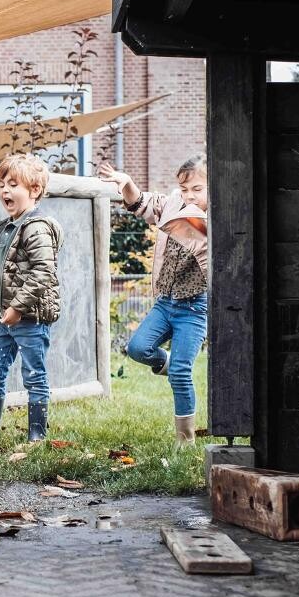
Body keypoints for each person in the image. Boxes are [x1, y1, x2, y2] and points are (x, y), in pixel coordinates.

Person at [97, 156, 208, 444]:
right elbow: (142, 204)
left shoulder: (218, 222)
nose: (189, 195)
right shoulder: (173, 203)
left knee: (181, 374)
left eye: (197, 189)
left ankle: (185, 441)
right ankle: (168, 363)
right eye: (184, 189)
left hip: (194, 308)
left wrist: (195, 227)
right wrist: (128, 184)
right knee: (136, 348)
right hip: (165, 302)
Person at [0, 155, 63, 443]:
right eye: (1, 185)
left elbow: (44, 271)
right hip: (6, 319)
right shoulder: (2, 228)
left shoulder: (35, 227)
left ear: (34, 190)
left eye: (13, 184)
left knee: (34, 374)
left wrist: (16, 307)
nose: (5, 191)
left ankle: (37, 433)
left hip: (30, 320)